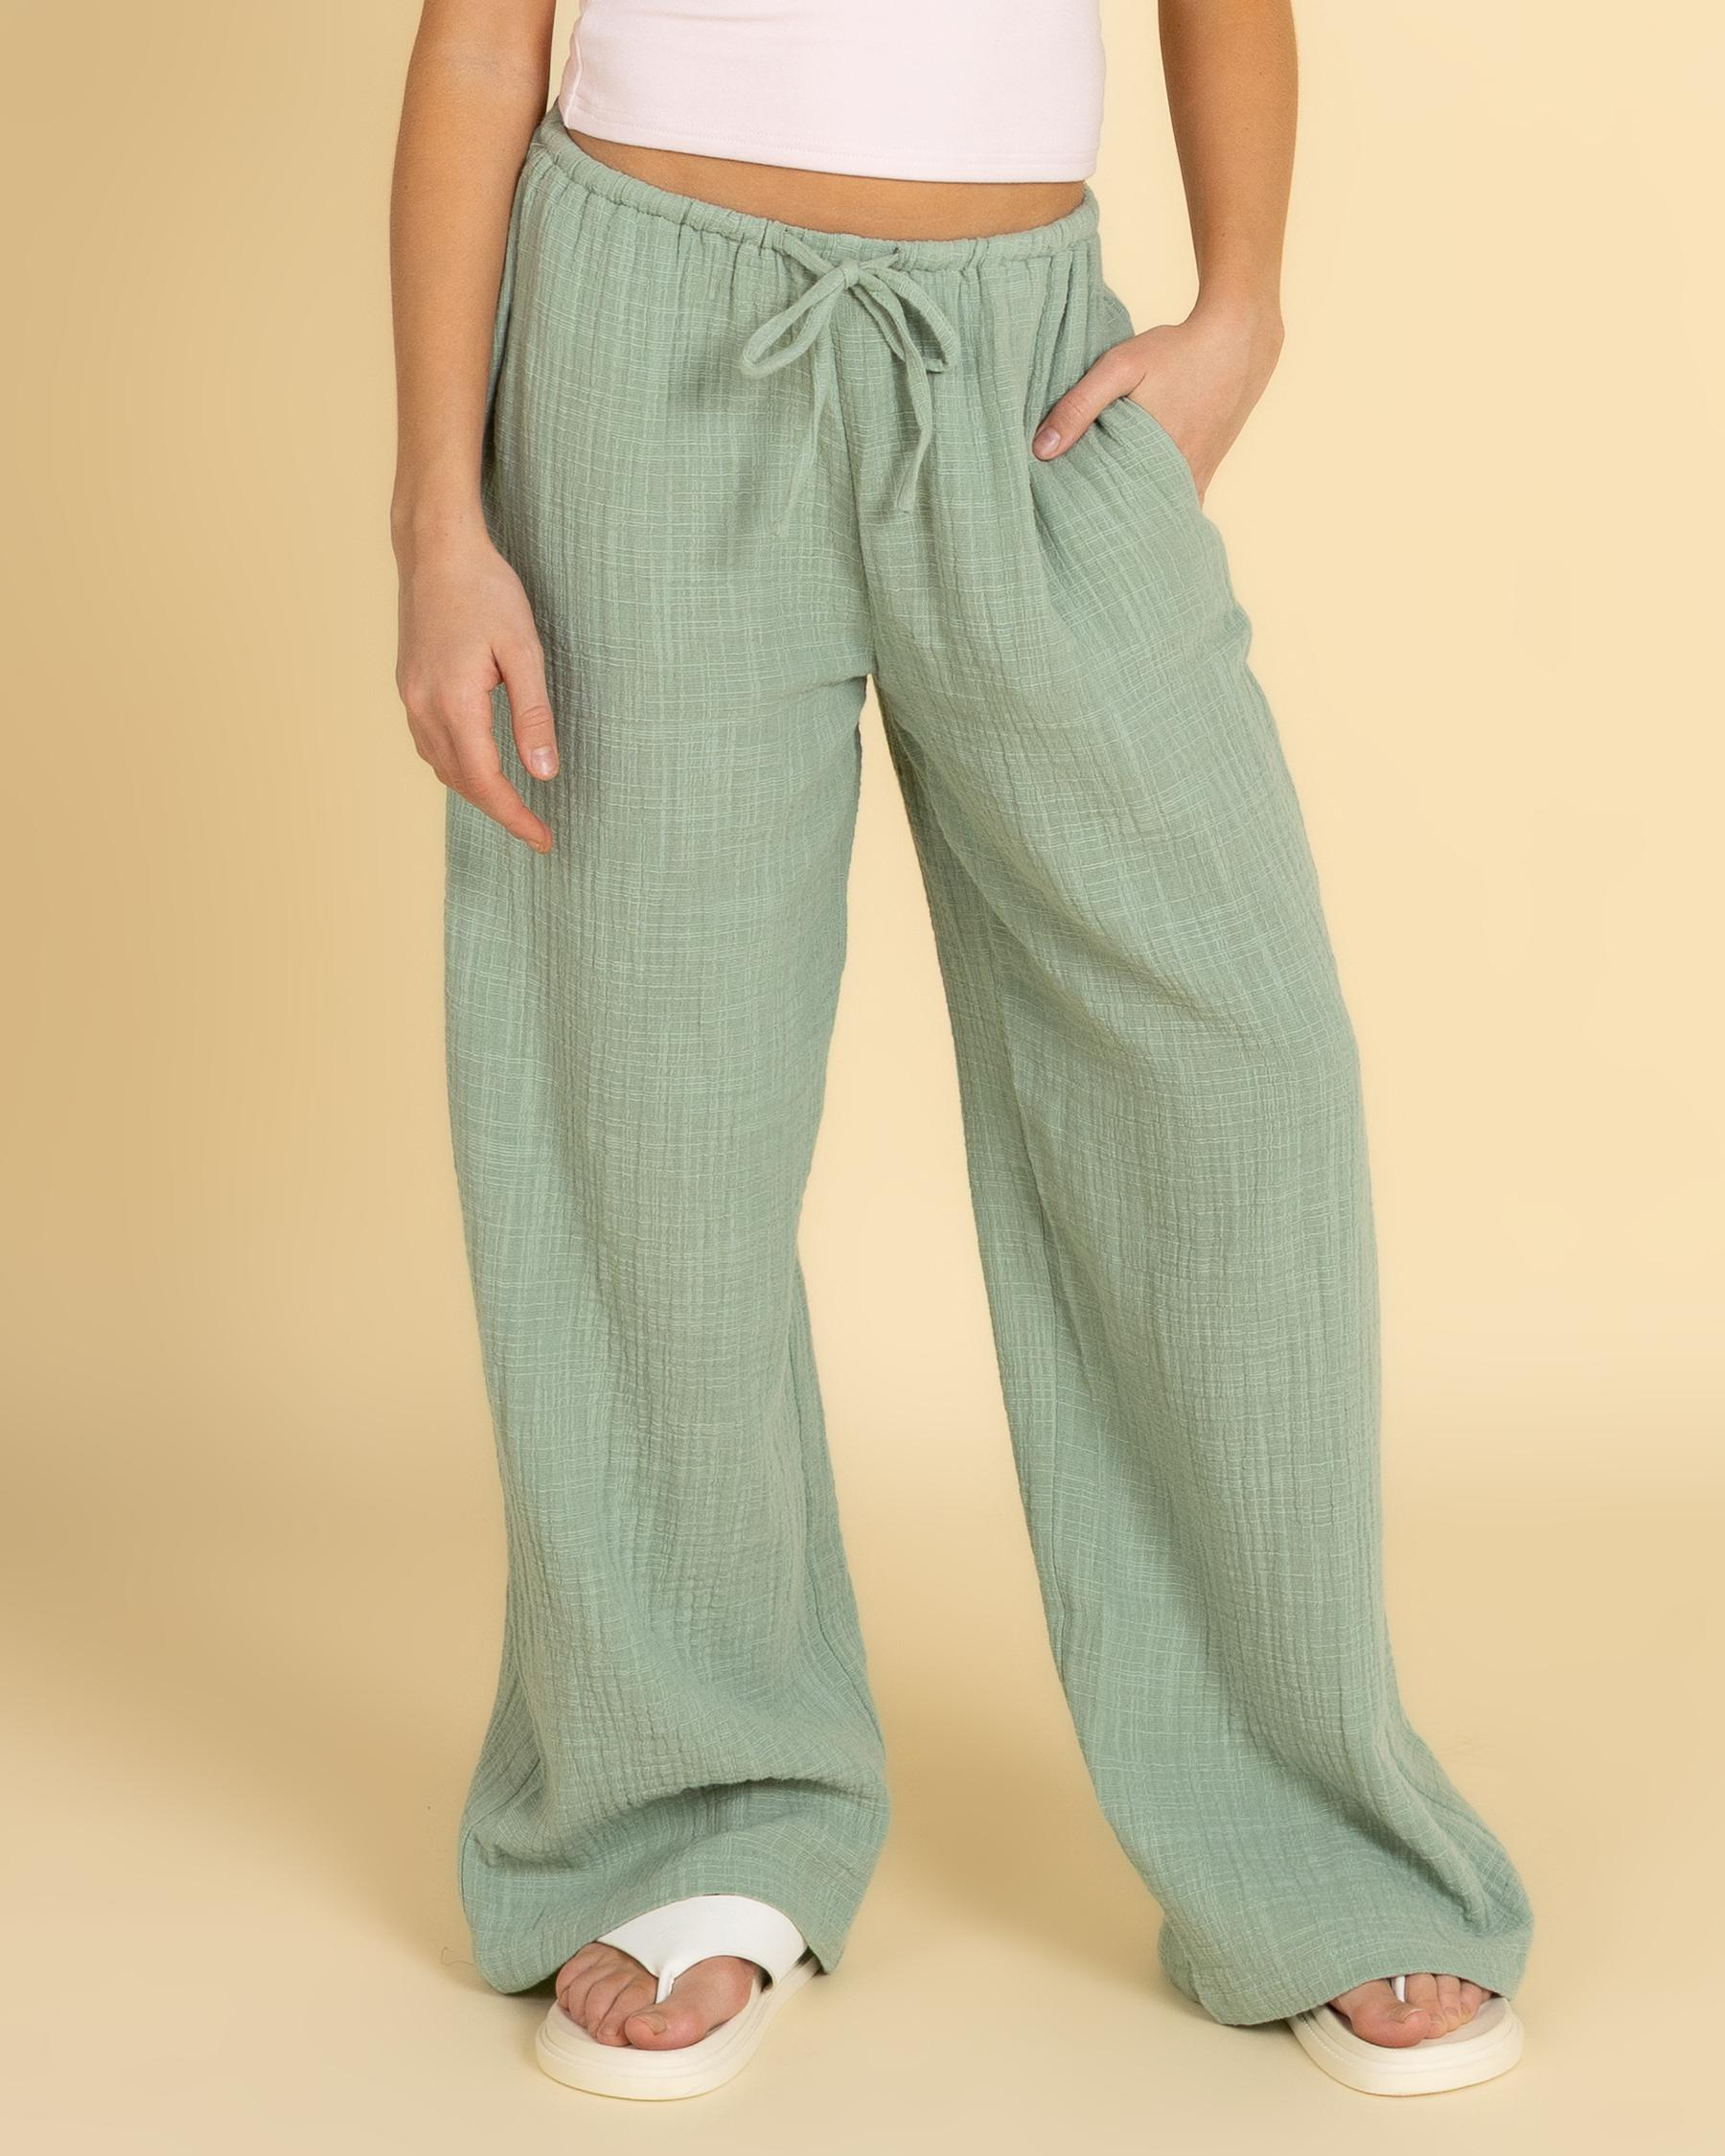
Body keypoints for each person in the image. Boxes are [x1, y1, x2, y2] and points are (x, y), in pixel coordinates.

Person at [389, 0, 1533, 2100]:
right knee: (639, 1090)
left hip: (1022, 361)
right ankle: (680, 1813)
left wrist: (1245, 305)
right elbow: (478, 49)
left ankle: (1312, 1832)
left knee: (1227, 1061)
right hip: (637, 346)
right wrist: (438, 522)